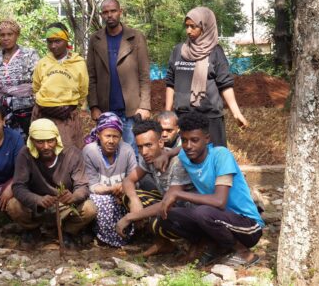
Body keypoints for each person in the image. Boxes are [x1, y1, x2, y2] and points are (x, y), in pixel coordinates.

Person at [159, 112, 264, 267]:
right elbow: (172, 191)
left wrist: (178, 194)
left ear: (207, 139)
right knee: (167, 215)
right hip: (217, 219)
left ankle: (244, 253)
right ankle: (207, 246)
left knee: (203, 212)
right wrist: (167, 155)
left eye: (195, 140)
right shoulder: (184, 156)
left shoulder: (221, 155)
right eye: (185, 140)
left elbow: (219, 201)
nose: (189, 146)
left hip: (248, 226)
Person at [165, 7, 249, 147]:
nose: (188, 31)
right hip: (183, 117)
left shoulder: (215, 52)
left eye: (193, 26)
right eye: (187, 26)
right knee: (184, 162)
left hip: (210, 119)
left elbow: (225, 84)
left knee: (214, 160)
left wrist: (236, 113)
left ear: (205, 27)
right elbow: (170, 82)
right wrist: (167, 113)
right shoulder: (179, 50)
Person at [7, 119, 96, 250]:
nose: (46, 146)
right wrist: (37, 200)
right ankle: (32, 230)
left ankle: (68, 233)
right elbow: (18, 187)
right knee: (13, 206)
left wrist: (74, 196)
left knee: (89, 209)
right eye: (40, 142)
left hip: (64, 205)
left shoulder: (72, 154)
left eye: (50, 141)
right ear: (31, 141)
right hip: (37, 205)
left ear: (57, 139)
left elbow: (82, 186)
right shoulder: (25, 155)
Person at [115, 119, 192, 257]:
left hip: (187, 213)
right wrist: (134, 200)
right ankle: (163, 243)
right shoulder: (148, 158)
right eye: (139, 147)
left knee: (158, 219)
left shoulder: (177, 163)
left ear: (161, 142)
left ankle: (191, 242)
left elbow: (168, 202)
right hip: (168, 205)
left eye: (148, 145)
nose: (143, 152)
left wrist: (130, 217)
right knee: (132, 195)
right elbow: (128, 180)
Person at [87, 0, 152, 154]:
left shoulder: (136, 37)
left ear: (120, 12)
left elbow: (144, 74)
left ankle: (133, 179)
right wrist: (94, 106)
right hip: (106, 109)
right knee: (107, 152)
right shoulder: (95, 39)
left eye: (113, 11)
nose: (110, 15)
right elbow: (91, 76)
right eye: (105, 12)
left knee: (134, 152)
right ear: (102, 15)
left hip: (132, 109)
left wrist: (144, 105)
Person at [82, 112, 138, 247]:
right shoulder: (90, 151)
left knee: (135, 199)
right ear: (99, 135)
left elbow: (136, 178)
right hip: (101, 195)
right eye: (107, 136)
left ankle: (131, 235)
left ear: (120, 137)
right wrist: (112, 189)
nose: (111, 141)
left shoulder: (127, 150)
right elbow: (92, 185)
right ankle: (101, 237)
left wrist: (123, 190)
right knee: (102, 201)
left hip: (123, 193)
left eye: (115, 136)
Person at [31, 23, 89, 149]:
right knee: (43, 150)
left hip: (67, 115)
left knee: (68, 151)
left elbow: (83, 89)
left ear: (66, 40)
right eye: (49, 42)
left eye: (57, 41)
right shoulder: (43, 63)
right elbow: (36, 87)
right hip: (43, 114)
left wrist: (72, 107)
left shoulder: (78, 63)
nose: (53, 46)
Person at [0, 19, 39, 138]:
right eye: (2, 35)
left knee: (25, 142)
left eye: (9, 34)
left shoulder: (29, 54)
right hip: (1, 109)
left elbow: (38, 81)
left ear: (17, 35)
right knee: (4, 141)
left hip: (26, 108)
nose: (6, 38)